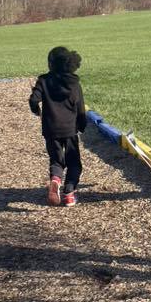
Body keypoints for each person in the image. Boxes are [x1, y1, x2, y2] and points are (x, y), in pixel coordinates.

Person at [29, 47, 87, 207]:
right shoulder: (74, 83)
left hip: (50, 129)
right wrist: (82, 125)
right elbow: (80, 107)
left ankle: (55, 180)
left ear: (51, 64)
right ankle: (69, 193)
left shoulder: (43, 80)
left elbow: (34, 99)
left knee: (56, 160)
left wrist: (36, 109)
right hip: (69, 129)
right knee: (74, 162)